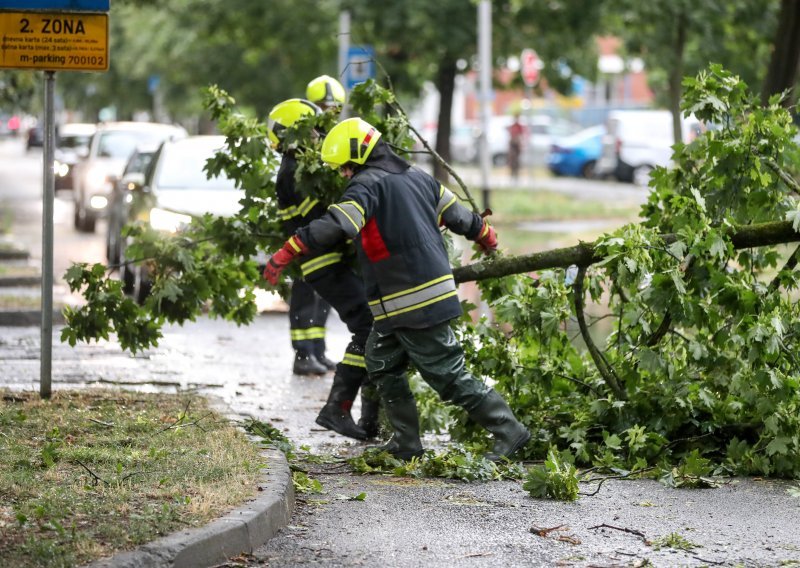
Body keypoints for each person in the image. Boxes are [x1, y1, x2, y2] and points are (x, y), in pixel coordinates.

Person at [264, 117, 531, 461]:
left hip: (413, 299)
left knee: (447, 374)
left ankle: (509, 431)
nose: (343, 174)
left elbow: (338, 224)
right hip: (396, 304)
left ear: (357, 157)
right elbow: (462, 217)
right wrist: (487, 237)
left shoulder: (366, 186)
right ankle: (406, 443)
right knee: (380, 363)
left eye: (344, 167)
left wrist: (289, 250)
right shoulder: (421, 179)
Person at [266, 98, 379, 440]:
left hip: (330, 260)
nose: (319, 135)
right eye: (313, 129)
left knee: (371, 326)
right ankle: (339, 408)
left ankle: (362, 416)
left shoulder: (305, 167)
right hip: (322, 262)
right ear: (294, 133)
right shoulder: (294, 174)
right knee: (369, 327)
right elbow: (323, 221)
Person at [284, 75, 349, 375]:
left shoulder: (327, 142)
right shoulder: (297, 151)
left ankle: (318, 352)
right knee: (304, 295)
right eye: (326, 107)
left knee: (322, 298)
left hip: (322, 237)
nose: (331, 112)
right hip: (303, 237)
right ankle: (302, 355)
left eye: (335, 107)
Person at [508, 113, 525, 180]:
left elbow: (521, 136)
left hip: (517, 145)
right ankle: (512, 174)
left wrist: (520, 144)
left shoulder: (519, 126)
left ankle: (516, 174)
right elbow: (510, 135)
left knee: (517, 160)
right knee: (512, 159)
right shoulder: (512, 126)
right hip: (512, 144)